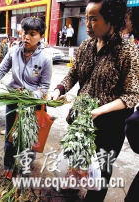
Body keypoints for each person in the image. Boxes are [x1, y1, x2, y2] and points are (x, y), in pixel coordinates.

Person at [50, 0, 139, 201]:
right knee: (79, 161)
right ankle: (74, 185)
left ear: (111, 20)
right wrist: (58, 90)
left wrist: (99, 110)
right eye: (86, 18)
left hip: (109, 127)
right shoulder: (86, 46)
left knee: (100, 175)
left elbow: (132, 95)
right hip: (81, 123)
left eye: (94, 19)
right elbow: (72, 74)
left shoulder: (127, 51)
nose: (88, 25)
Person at [0, 17, 52, 179]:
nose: (26, 37)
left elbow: (44, 87)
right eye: (25, 33)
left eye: (32, 34)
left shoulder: (46, 59)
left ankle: (28, 163)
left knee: (29, 138)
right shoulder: (14, 51)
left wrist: (29, 95)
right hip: (13, 101)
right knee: (10, 135)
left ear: (41, 36)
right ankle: (9, 164)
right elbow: (0, 71)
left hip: (32, 104)